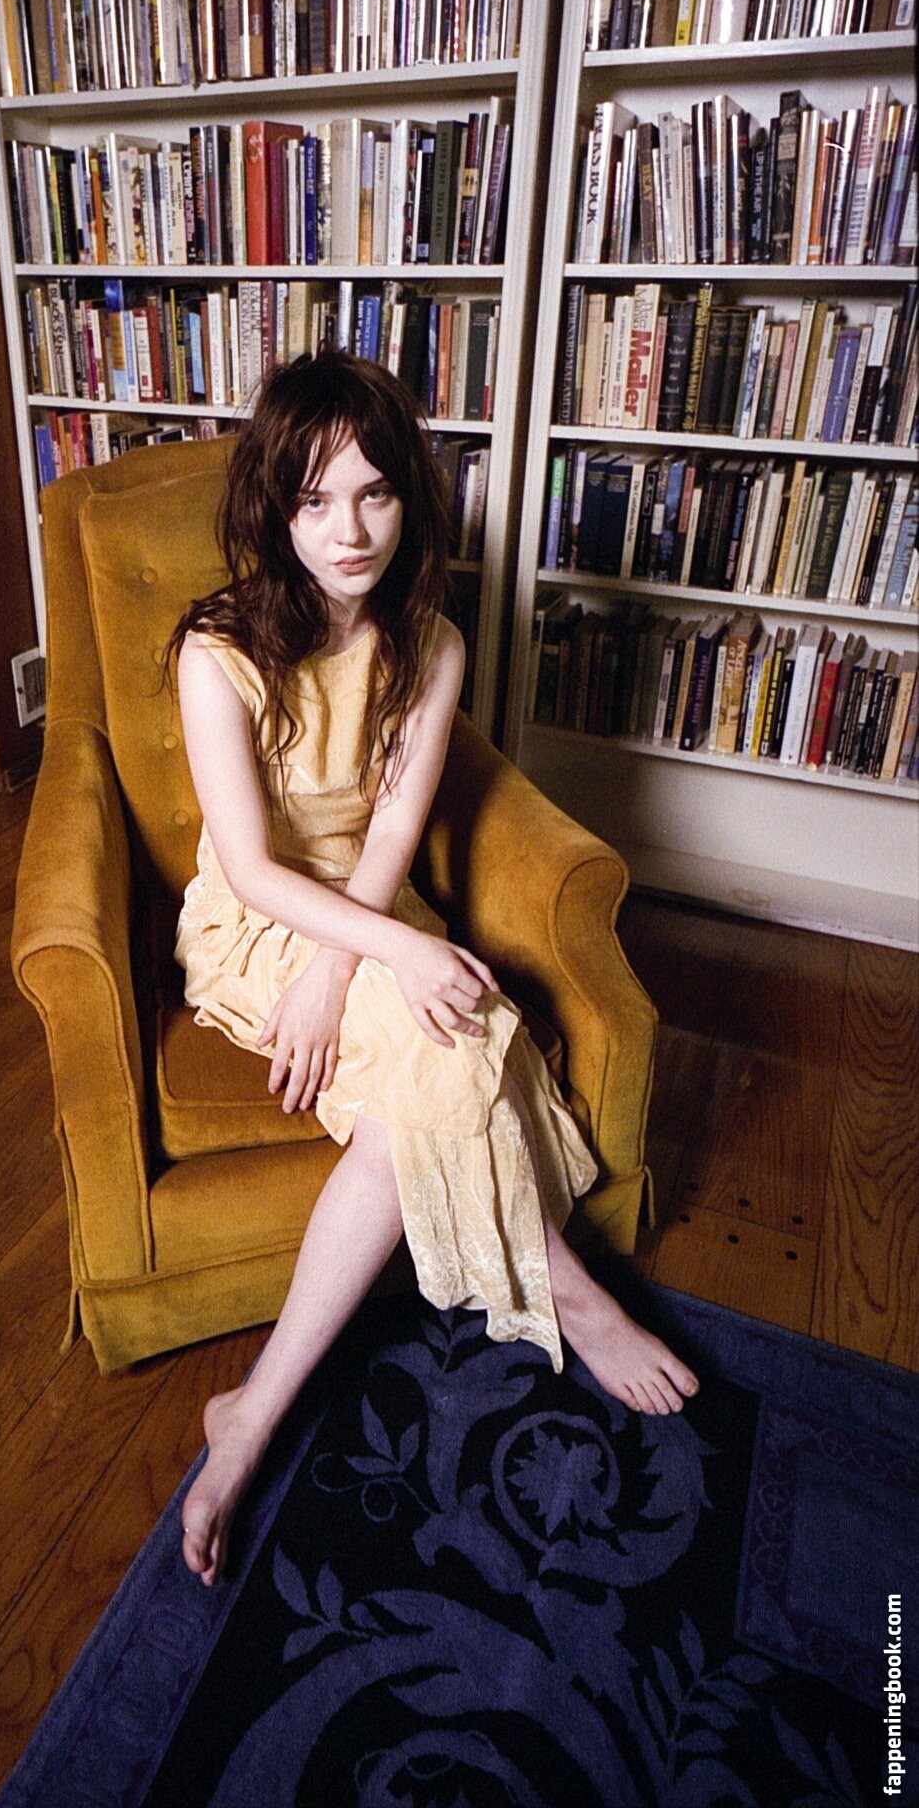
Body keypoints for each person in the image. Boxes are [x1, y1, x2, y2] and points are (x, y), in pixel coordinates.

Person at [165, 352, 697, 1588]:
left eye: (372, 493)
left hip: (364, 900)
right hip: (257, 921)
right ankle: (574, 1297)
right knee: (455, 1034)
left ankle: (248, 1408)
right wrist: (355, 959)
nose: (347, 530)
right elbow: (249, 870)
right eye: (313, 501)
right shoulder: (214, 649)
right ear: (273, 509)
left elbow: (392, 837)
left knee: (449, 1048)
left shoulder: (432, 642)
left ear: (408, 495)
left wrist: (357, 960)